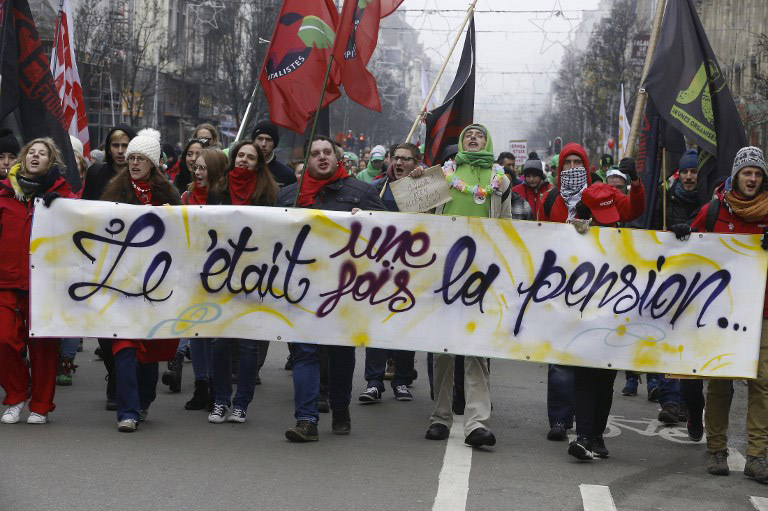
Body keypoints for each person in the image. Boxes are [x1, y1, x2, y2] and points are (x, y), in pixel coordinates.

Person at [424, 123, 529, 448]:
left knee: (476, 349)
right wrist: (413, 180)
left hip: (482, 275)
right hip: (444, 270)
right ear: (461, 142)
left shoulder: (502, 180)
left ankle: (477, 423)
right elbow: (416, 213)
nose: (473, 138)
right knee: (442, 349)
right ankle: (440, 417)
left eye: (479, 135)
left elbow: (508, 225)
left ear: (487, 142)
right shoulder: (442, 174)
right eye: (468, 134)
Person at [276, 135, 386, 442]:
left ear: (337, 159)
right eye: (315, 153)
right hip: (301, 289)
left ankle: (340, 409)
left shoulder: (361, 193)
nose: (322, 157)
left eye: (327, 152)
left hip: (345, 291)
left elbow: (387, 238)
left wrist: (368, 222)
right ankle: (306, 419)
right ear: (306, 160)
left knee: (340, 355)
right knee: (305, 351)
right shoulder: (287, 197)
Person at [672, 146, 768, 481]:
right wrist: (682, 233)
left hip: (762, 312)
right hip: (723, 312)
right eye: (747, 173)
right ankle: (716, 448)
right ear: (736, 176)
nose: (752, 179)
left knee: (762, 384)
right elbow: (692, 245)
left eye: (757, 173)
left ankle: (757, 455)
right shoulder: (715, 210)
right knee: (720, 382)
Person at [100, 128, 182, 432]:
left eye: (140, 158)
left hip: (155, 282)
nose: (133, 163)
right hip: (121, 282)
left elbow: (181, 237)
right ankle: (127, 411)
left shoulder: (169, 195)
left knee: (148, 353)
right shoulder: (114, 191)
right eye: (130, 158)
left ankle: (144, 401)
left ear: (153, 163)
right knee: (123, 347)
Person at [565, 177, 644, 461]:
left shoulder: (625, 236)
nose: (607, 223)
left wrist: (635, 184)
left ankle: (597, 435)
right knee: (585, 378)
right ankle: (584, 436)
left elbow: (636, 208)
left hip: (615, 319)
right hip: (584, 319)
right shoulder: (572, 235)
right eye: (601, 218)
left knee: (605, 379)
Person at [0, 137, 76, 424]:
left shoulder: (63, 197)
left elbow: (87, 219)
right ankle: (16, 394)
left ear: (50, 163)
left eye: (42, 153)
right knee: (3, 339)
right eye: (30, 152)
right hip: (6, 281)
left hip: (45, 284)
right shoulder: (4, 193)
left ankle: (41, 405)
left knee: (43, 349)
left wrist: (65, 206)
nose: (35, 156)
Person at [205, 140, 279, 424]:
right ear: (233, 159)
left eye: (250, 157)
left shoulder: (270, 193)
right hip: (222, 275)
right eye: (240, 155)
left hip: (256, 276)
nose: (244, 160)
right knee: (220, 342)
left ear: (259, 164)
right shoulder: (218, 191)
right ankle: (221, 401)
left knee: (249, 345)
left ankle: (241, 403)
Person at [357, 143, 422, 402]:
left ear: (416, 163)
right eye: (395, 157)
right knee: (377, 325)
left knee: (405, 325)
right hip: (379, 268)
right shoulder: (374, 188)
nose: (399, 163)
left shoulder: (423, 188)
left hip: (412, 267)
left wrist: (423, 179)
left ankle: (402, 380)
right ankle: (374, 382)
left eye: (406, 159)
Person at [80, 123, 137, 411]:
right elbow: (84, 212)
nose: (120, 151)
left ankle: (126, 379)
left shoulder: (140, 174)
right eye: (115, 145)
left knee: (127, 321)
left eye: (126, 145)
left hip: (133, 259)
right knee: (104, 321)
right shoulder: (96, 173)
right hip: (102, 257)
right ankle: (113, 375)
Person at [251, 120, 298, 188]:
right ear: (254, 141)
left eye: (268, 140)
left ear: (274, 144)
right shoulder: (244, 167)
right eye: (260, 138)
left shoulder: (287, 174)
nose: (263, 144)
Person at [513, 155, 552, 219]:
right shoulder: (516, 191)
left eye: (534, 176)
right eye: (528, 176)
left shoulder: (551, 190)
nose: (531, 179)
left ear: (540, 176)